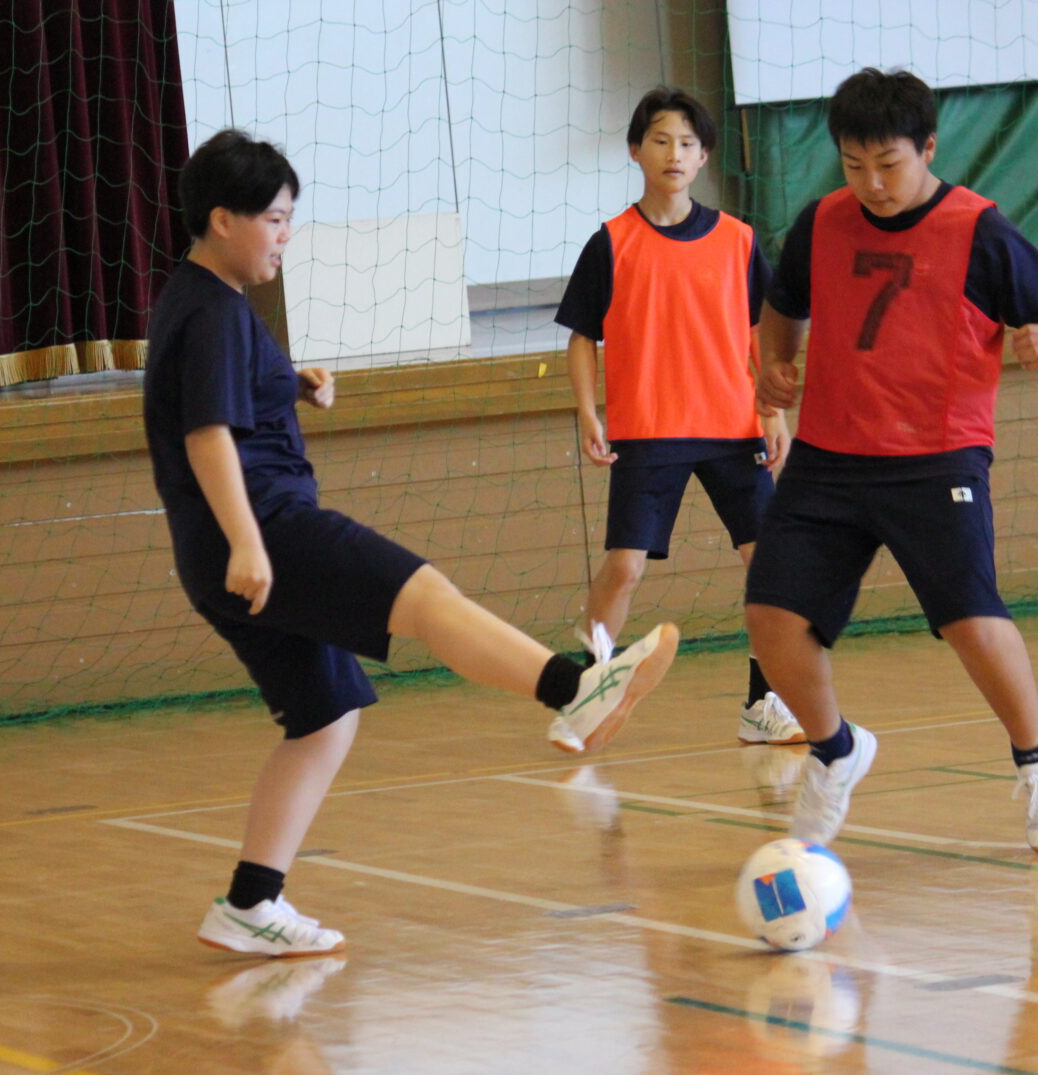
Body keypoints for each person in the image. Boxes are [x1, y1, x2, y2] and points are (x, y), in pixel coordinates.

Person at [143, 129, 677, 958]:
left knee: (325, 718)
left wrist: (296, 381)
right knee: (426, 598)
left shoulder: (203, 303)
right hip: (267, 534)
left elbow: (233, 399)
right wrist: (249, 543)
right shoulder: (212, 313)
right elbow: (206, 434)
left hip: (228, 551)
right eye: (276, 220)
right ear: (222, 219)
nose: (286, 235)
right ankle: (574, 689)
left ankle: (250, 903)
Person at [746, 68, 1038, 853]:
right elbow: (783, 305)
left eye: (889, 164)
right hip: (829, 455)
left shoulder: (979, 231)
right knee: (771, 614)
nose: (871, 183)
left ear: (928, 148)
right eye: (853, 165)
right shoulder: (822, 221)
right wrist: (775, 366)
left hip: (936, 459)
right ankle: (835, 751)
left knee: (971, 619)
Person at [554, 86, 803, 747]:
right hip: (648, 430)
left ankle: (764, 701)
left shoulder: (738, 240)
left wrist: (773, 411)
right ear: (636, 150)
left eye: (689, 143)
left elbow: (762, 330)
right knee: (625, 567)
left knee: (769, 563)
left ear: (704, 158)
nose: (675, 153)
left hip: (734, 427)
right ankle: (590, 687)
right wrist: (587, 409)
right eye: (661, 139)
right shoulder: (610, 243)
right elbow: (582, 334)